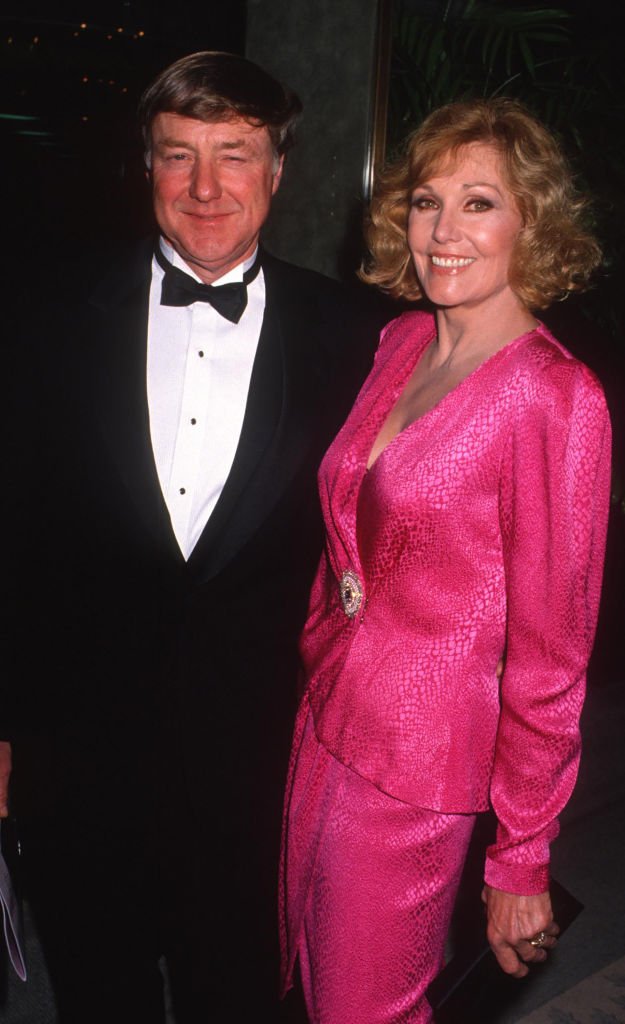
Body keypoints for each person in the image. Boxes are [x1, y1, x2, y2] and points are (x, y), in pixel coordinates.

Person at [1, 51, 386, 1022]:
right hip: (78, 761)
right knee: (98, 995)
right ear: (145, 167)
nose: (207, 188)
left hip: (264, 766)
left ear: (279, 169)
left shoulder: (364, 336)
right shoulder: (43, 318)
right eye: (180, 157)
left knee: (244, 998)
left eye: (235, 155)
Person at [280, 98, 612, 1023]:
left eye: (479, 203)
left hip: (420, 766)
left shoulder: (555, 397)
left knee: (365, 1006)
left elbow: (553, 654)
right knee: (313, 973)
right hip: (327, 715)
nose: (442, 231)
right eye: (427, 201)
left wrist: (521, 857)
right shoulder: (400, 342)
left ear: (531, 223)